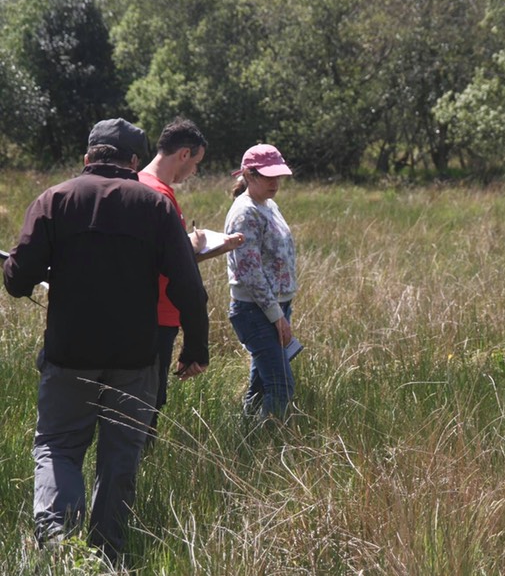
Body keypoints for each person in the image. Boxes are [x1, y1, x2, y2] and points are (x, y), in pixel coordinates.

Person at [2, 118, 210, 563]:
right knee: (120, 460)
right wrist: (196, 347)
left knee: (58, 447)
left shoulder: (53, 200)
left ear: (87, 157)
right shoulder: (155, 207)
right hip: (135, 358)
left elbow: (18, 282)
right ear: (135, 162)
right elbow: (188, 287)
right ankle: (108, 557)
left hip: (68, 355)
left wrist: (23, 267)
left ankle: (59, 545)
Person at [138, 117, 243, 439]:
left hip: (147, 311)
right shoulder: (158, 193)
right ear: (184, 154)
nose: (194, 171)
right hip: (156, 314)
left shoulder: (139, 183)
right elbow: (161, 262)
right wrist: (193, 246)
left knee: (146, 399)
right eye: (196, 162)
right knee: (148, 403)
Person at [225, 144, 297, 418]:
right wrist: (276, 315)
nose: (275, 182)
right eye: (268, 176)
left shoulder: (268, 204)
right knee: (281, 386)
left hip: (273, 308)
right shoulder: (245, 213)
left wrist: (281, 310)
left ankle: (247, 440)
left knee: (260, 386)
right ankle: (268, 445)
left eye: (278, 176)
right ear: (248, 175)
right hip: (256, 311)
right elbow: (250, 272)